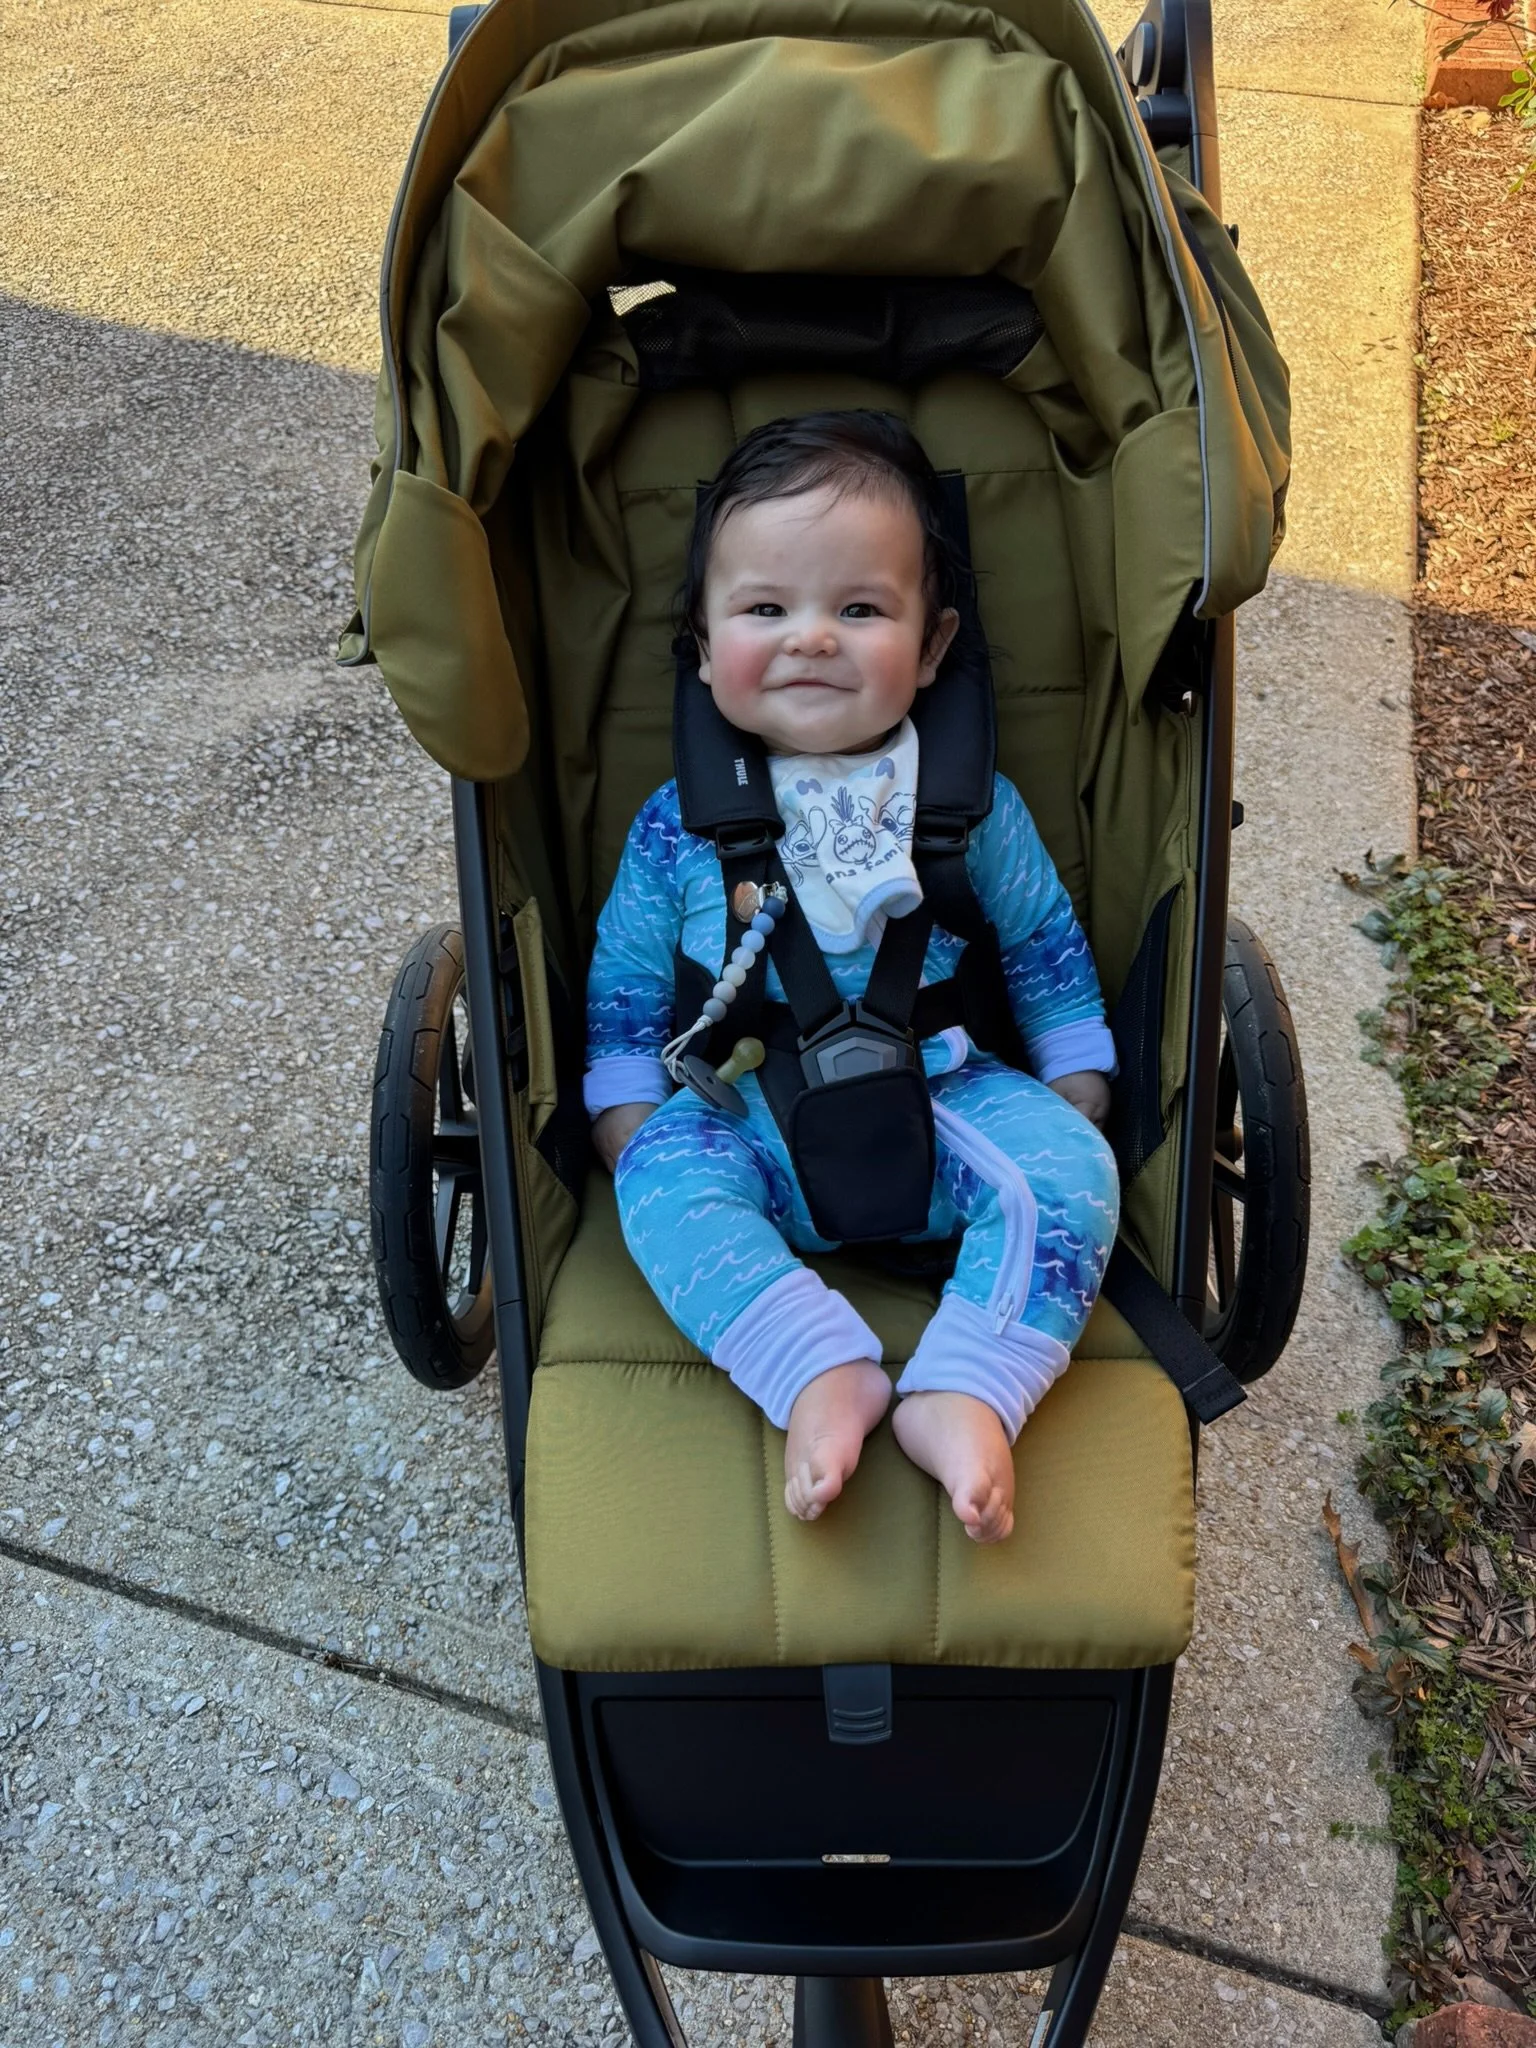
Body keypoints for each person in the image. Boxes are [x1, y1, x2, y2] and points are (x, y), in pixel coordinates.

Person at [584, 411, 1119, 1544]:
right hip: (751, 1117)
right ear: (700, 638)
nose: (812, 638)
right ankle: (817, 1364)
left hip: (946, 1096)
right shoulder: (680, 827)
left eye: (860, 609)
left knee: (1071, 1173)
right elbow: (627, 979)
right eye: (766, 609)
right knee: (662, 1184)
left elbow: (1041, 942)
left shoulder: (967, 806)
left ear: (931, 649)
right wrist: (626, 1107)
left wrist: (1074, 1067)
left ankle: (966, 1383)